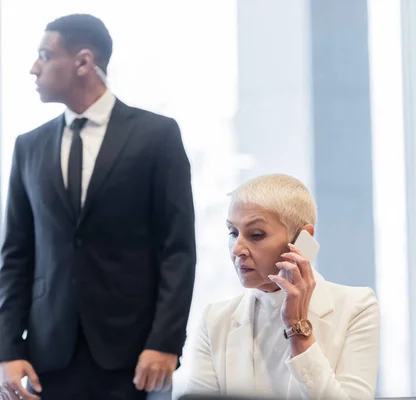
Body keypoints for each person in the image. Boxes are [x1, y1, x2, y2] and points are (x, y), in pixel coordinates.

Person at [0, 14, 196, 400]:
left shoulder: (157, 136)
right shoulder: (29, 146)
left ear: (84, 62)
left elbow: (177, 250)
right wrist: (7, 348)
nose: (33, 68)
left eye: (44, 55)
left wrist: (166, 341)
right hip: (47, 358)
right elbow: (16, 256)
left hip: (135, 357)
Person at [178, 174, 380, 400]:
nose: (237, 249)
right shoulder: (215, 319)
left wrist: (298, 328)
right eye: (233, 233)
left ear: (302, 238)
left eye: (256, 235)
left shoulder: (356, 307)